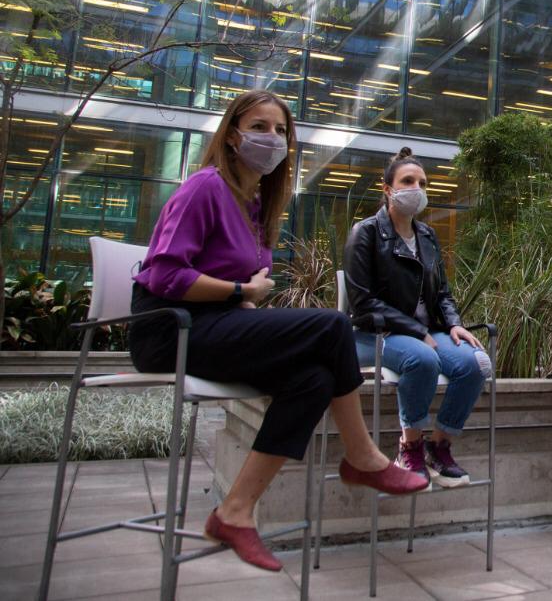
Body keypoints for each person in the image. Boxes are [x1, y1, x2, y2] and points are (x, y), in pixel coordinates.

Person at [129, 90, 429, 573]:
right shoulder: (206, 188)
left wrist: (243, 296)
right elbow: (165, 276)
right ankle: (362, 456)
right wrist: (237, 291)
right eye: (260, 127)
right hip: (169, 328)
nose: (272, 139)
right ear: (231, 135)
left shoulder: (256, 206)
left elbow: (249, 290)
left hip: (218, 325)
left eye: (281, 131)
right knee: (332, 326)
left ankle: (235, 511)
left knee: (313, 378)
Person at [343, 148, 490, 488]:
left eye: (422, 183)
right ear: (387, 188)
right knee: (422, 359)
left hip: (426, 331)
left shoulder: (426, 235)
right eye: (408, 181)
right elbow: (362, 303)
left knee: (476, 363)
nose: (417, 188)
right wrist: (414, 330)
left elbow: (441, 292)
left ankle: (438, 447)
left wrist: (453, 323)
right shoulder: (365, 233)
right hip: (376, 334)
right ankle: (409, 447)